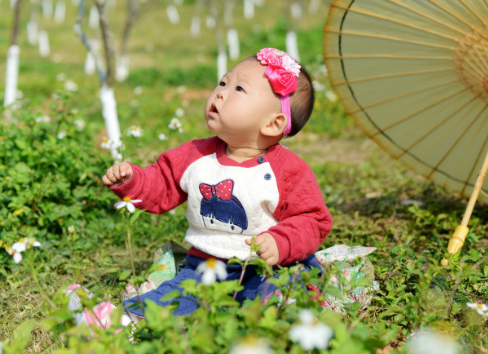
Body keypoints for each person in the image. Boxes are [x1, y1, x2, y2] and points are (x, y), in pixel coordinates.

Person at [72, 48, 332, 324]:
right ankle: (117, 322)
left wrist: (282, 242)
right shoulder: (195, 156)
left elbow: (312, 219)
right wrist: (133, 181)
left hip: (265, 267)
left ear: (273, 123)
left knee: (283, 292)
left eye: (239, 89)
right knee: (172, 297)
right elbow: (162, 183)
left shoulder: (288, 171)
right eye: (223, 82)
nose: (220, 92)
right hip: (205, 268)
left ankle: (277, 326)